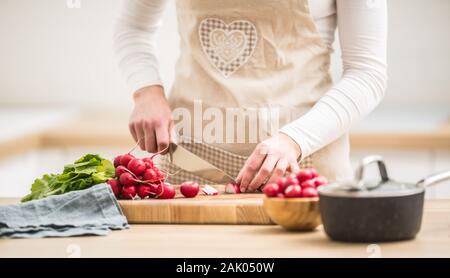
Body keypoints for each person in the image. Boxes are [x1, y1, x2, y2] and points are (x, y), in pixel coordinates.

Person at [113, 0, 387, 192]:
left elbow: (367, 72)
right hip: (191, 163)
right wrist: (146, 90)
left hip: (304, 165)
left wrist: (295, 139)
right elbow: (134, 28)